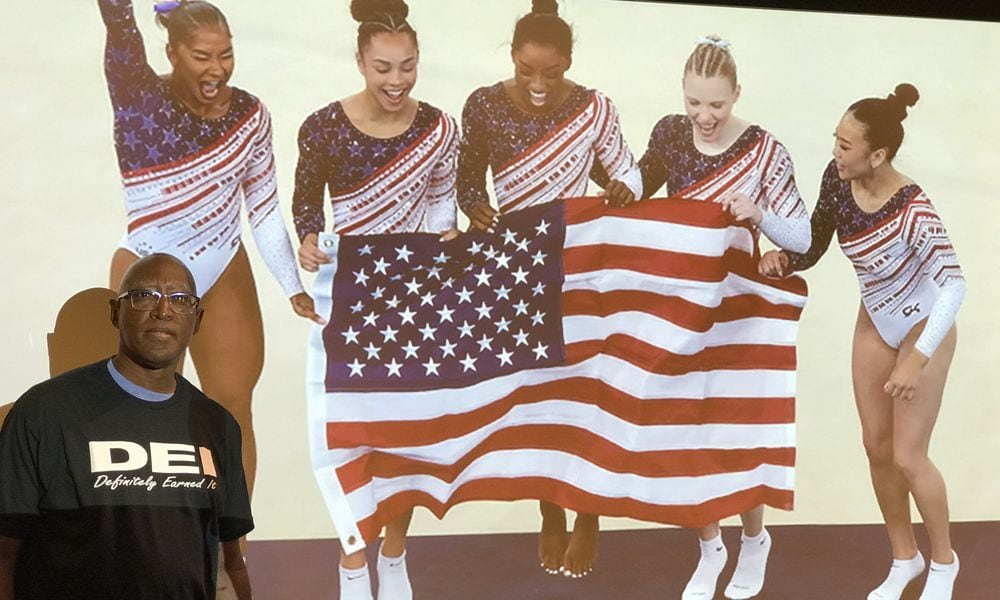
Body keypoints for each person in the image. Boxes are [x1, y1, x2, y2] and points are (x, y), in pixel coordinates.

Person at [97, 0, 321, 501]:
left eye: (226, 55)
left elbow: (262, 211)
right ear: (173, 51)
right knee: (140, 416)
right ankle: (148, 548)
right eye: (202, 56)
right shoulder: (138, 96)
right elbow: (117, 20)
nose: (217, 69)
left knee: (231, 413)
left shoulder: (249, 113)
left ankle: (231, 552)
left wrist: (291, 287)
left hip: (222, 266)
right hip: (147, 270)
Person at [456, 0, 642, 579]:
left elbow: (627, 170)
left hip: (586, 261)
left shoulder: (594, 108)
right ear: (512, 58)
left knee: (586, 391)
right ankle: (550, 510)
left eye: (552, 72)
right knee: (539, 396)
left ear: (569, 62)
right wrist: (476, 207)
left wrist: (623, 187)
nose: (538, 85)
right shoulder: (484, 104)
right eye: (526, 70)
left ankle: (587, 513)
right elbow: (468, 182)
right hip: (517, 267)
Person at [759, 84, 965, 600]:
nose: (835, 152)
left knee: (908, 456)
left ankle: (944, 561)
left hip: (924, 328)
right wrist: (781, 251)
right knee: (875, 448)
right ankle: (905, 558)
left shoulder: (913, 208)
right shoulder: (837, 178)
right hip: (875, 321)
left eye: (846, 146)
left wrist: (915, 360)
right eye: (836, 139)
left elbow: (954, 285)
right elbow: (815, 238)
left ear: (879, 154)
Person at [291, 0, 459, 598]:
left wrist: (445, 234)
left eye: (408, 66)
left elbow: (443, 202)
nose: (396, 80)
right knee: (354, 436)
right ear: (360, 60)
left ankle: (394, 556)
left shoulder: (439, 127)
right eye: (383, 67)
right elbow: (307, 203)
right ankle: (353, 559)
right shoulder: (322, 126)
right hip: (352, 300)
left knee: (406, 438)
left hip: (415, 299)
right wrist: (309, 239)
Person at [636, 35, 811, 600]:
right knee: (682, 428)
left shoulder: (765, 151)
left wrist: (761, 216)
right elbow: (642, 184)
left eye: (716, 104)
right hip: (681, 305)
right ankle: (710, 547)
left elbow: (803, 238)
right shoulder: (669, 132)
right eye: (694, 102)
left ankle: (754, 539)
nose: (703, 116)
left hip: (740, 310)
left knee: (737, 429)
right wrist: (615, 183)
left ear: (737, 93)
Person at [0, 254, 254, 600]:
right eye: (144, 295)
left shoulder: (217, 424)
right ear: (115, 313)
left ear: (197, 319)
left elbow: (227, 566)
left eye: (180, 300)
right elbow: (5, 553)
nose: (163, 311)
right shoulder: (44, 411)